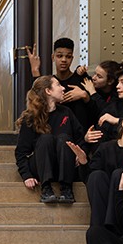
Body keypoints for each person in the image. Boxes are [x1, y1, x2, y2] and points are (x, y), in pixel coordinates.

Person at [67, 108, 123, 226]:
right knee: (96, 176)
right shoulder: (105, 147)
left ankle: (109, 226)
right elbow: (89, 179)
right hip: (103, 206)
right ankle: (99, 227)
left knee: (119, 174)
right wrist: (83, 161)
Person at [15, 75, 85, 204]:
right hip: (41, 167)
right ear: (48, 91)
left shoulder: (66, 112)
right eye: (58, 85)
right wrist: (27, 175)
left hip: (65, 165)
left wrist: (79, 154)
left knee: (64, 138)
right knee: (46, 138)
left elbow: (80, 139)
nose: (63, 88)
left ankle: (66, 189)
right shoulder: (30, 118)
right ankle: (46, 189)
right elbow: (21, 153)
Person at [27, 39, 93, 130]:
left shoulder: (80, 78)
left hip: (80, 133)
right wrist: (35, 70)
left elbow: (95, 107)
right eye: (59, 56)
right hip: (54, 132)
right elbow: (39, 100)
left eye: (68, 57)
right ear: (53, 57)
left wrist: (84, 95)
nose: (64, 60)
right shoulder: (51, 82)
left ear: (72, 58)